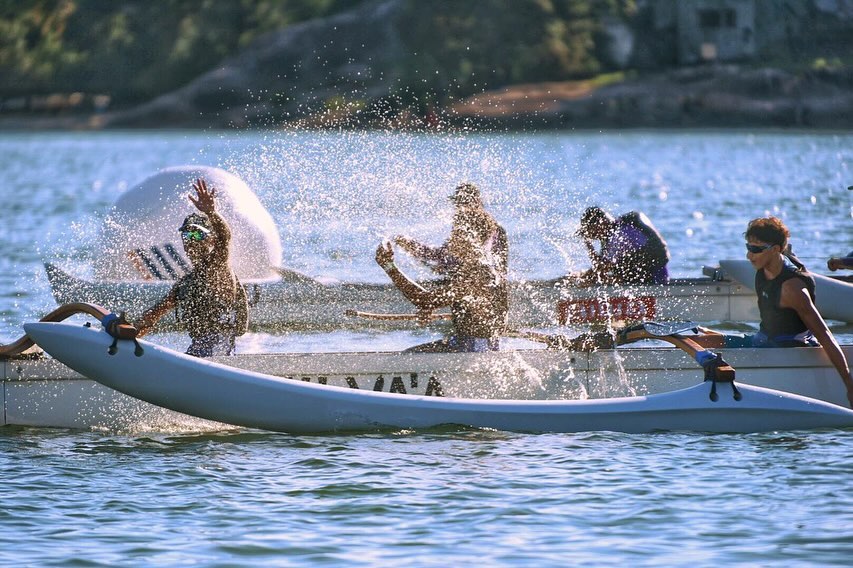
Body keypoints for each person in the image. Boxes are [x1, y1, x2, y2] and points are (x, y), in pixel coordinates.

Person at [697, 217, 853, 407]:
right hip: (761, 340)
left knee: (701, 344)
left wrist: (848, 384)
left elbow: (825, 335)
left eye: (756, 249)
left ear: (776, 249)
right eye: (748, 247)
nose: (749, 255)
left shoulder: (793, 289)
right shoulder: (763, 269)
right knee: (699, 336)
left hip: (783, 350)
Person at [376, 182, 508, 352]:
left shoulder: (478, 273)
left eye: (456, 233)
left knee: (408, 357)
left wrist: (388, 267)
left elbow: (423, 299)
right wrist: (438, 302)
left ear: (469, 238)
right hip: (471, 342)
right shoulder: (477, 266)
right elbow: (434, 295)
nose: (452, 239)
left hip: (475, 350)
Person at [134, 178, 248, 357]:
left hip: (219, 352)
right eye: (187, 234)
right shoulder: (185, 283)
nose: (191, 239)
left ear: (210, 239)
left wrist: (212, 213)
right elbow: (153, 315)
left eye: (197, 234)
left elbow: (225, 238)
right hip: (199, 350)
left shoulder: (217, 266)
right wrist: (129, 334)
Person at [571, 206, 670, 286]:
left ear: (600, 224)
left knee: (604, 277)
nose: (591, 236)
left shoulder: (619, 234)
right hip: (651, 274)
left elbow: (600, 270)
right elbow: (599, 266)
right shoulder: (614, 232)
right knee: (607, 274)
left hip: (654, 278)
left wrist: (578, 279)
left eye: (590, 231)